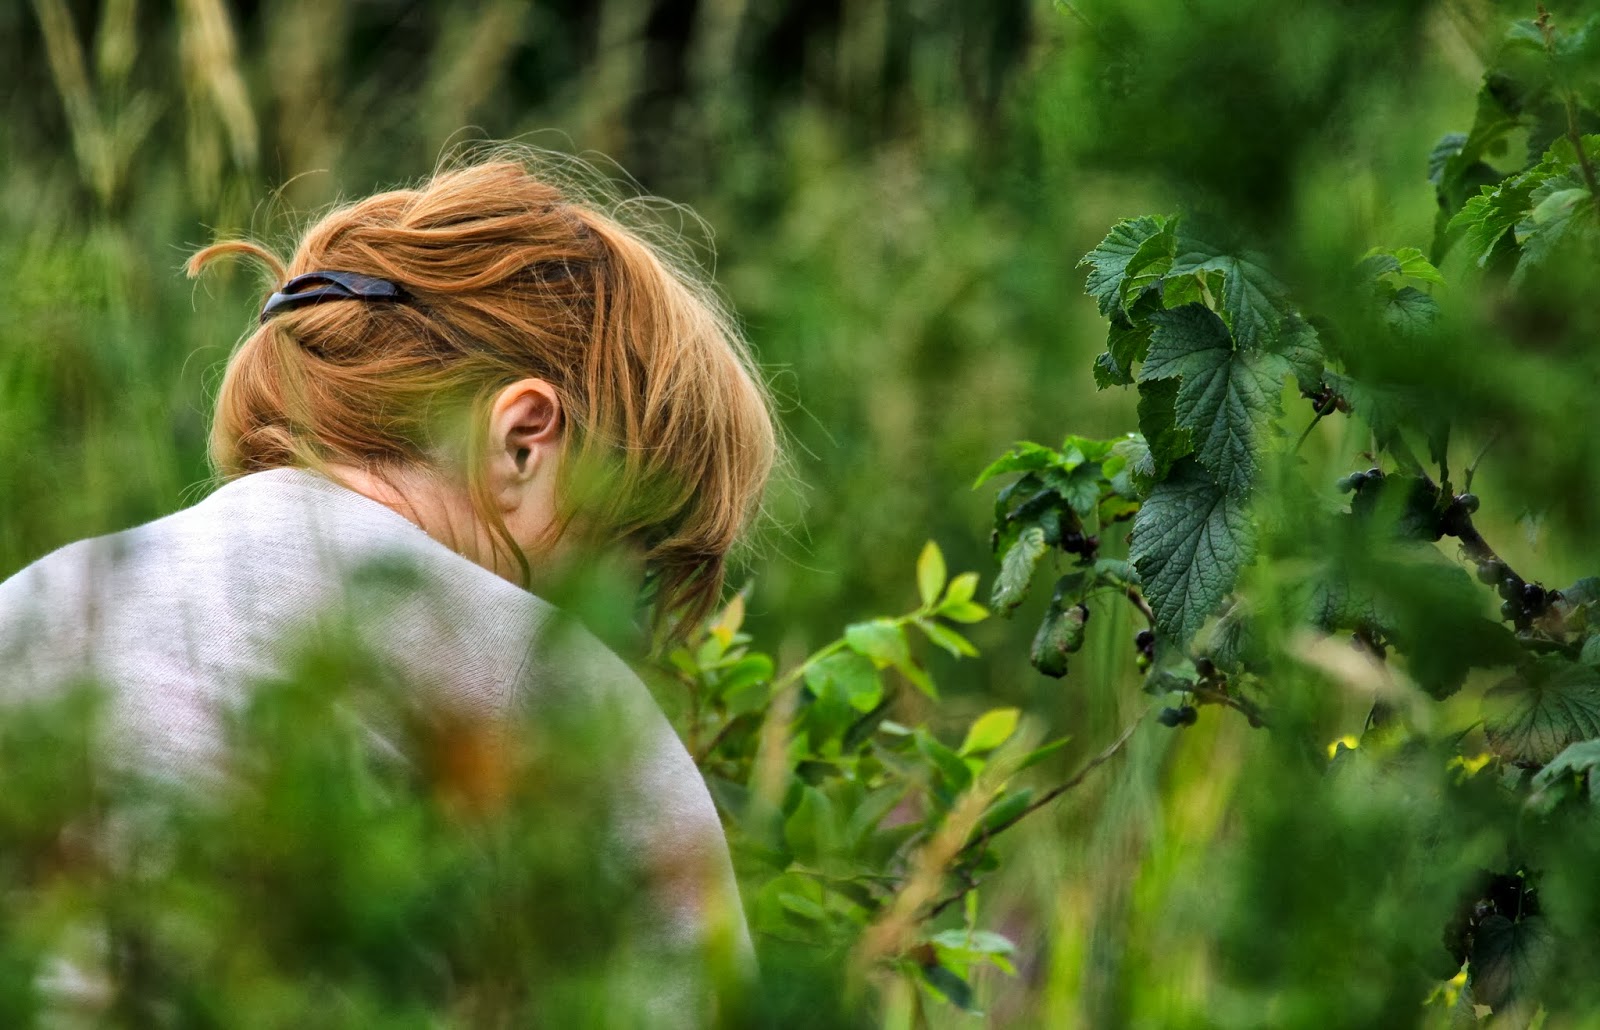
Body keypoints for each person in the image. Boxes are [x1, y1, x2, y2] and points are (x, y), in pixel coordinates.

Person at [0, 153, 776, 1020]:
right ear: (522, 441)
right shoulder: (551, 697)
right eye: (628, 553)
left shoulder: (39, 602)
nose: (613, 623)